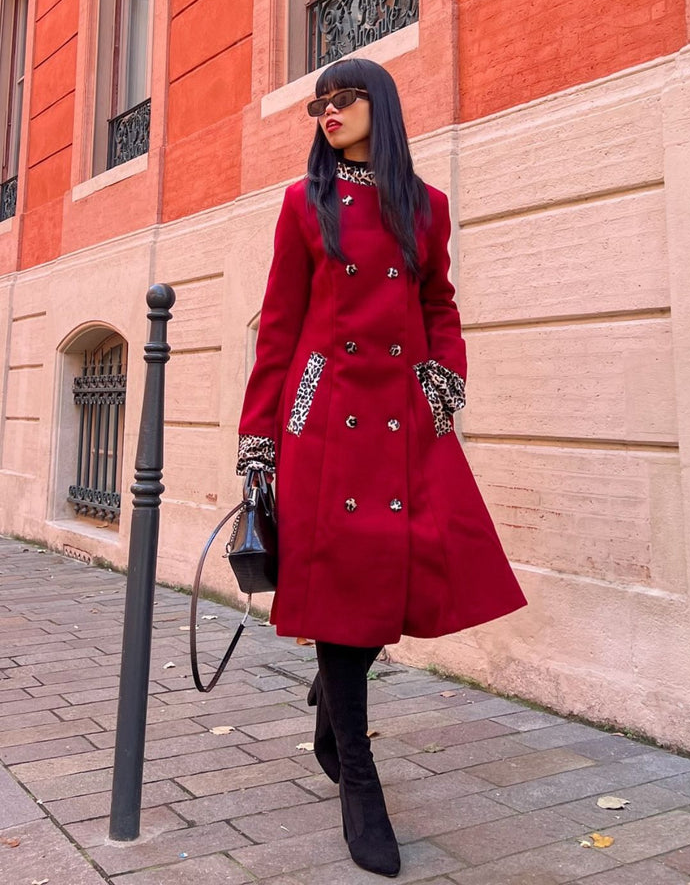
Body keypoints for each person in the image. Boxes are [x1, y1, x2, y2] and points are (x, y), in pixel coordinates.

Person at [237, 57, 527, 877]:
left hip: (404, 411)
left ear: (381, 105)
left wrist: (444, 381)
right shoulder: (303, 205)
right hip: (322, 410)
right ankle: (359, 781)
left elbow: (439, 304)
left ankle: (332, 699)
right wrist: (260, 437)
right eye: (318, 104)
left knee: (410, 568)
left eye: (344, 98)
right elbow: (279, 328)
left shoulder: (425, 205)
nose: (327, 112)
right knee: (341, 580)